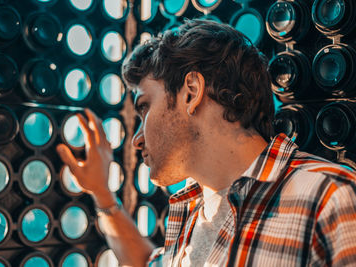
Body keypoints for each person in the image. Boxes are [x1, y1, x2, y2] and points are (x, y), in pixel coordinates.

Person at [56, 19, 356, 266]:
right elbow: (146, 261)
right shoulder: (194, 206)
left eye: (145, 106)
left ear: (191, 92)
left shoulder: (330, 197)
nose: (136, 140)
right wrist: (101, 193)